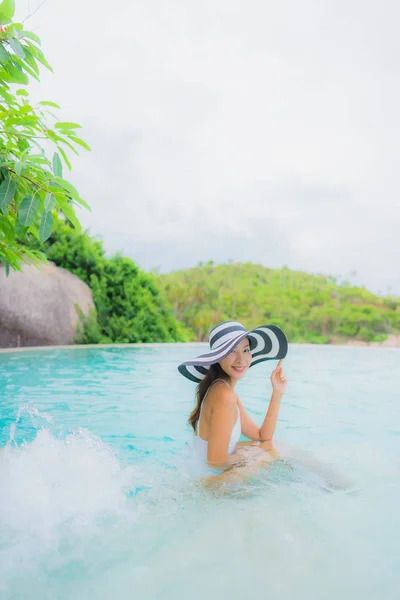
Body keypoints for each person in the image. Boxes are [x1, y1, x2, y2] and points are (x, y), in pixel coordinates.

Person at [178, 320, 288, 479]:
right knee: (274, 451)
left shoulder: (223, 389)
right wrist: (256, 453)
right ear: (218, 357)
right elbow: (215, 462)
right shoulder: (224, 396)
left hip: (204, 475)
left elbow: (262, 436)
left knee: (275, 446)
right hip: (211, 482)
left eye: (245, 350)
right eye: (231, 351)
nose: (241, 359)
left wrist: (277, 392)